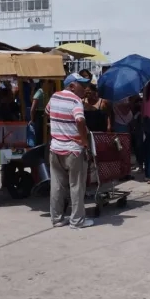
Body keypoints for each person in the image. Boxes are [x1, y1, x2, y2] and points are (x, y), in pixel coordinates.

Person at [47, 73, 94, 229]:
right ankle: (77, 221)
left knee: (57, 185)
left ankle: (57, 219)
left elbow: (47, 112)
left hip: (55, 149)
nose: (86, 88)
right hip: (73, 150)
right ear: (72, 86)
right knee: (76, 186)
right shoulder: (75, 100)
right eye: (82, 85)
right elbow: (80, 120)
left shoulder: (54, 97)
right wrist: (84, 141)